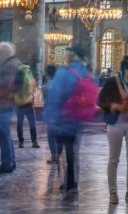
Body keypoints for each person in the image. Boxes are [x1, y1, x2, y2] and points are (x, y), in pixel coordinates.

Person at [43, 45, 92, 200]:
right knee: (72, 152)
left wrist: (49, 116)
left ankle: (68, 183)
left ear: (72, 55)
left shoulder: (64, 72)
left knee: (62, 151)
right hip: (78, 118)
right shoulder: (85, 72)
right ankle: (72, 182)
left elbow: (55, 94)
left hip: (62, 117)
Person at [98, 54, 128, 205]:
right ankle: (113, 192)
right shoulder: (112, 81)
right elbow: (100, 101)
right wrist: (114, 106)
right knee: (113, 159)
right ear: (124, 68)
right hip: (115, 123)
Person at [0, 42, 22, 174]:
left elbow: (9, 85)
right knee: (3, 133)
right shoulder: (9, 64)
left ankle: (7, 164)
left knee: (2, 132)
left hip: (6, 103)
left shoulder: (11, 64)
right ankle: (10, 162)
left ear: (5, 53)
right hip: (4, 103)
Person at [42, 64, 63, 165]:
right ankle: (59, 154)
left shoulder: (46, 86)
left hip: (51, 112)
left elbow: (45, 100)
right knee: (59, 135)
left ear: (47, 74)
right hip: (61, 113)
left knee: (51, 135)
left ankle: (54, 155)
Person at [16, 64, 39, 149]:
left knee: (32, 124)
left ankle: (34, 141)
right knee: (19, 124)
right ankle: (21, 142)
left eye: (28, 70)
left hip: (29, 104)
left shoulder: (32, 80)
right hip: (20, 105)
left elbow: (35, 90)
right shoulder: (18, 80)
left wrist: (33, 96)